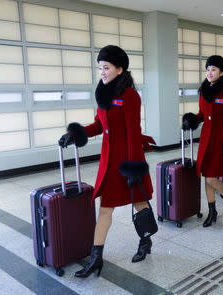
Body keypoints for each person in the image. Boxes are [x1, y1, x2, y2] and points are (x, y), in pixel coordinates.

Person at [58, 45, 154, 278]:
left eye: (107, 67)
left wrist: (133, 168)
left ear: (120, 69)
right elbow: (99, 125)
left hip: (128, 158)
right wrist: (75, 134)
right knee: (106, 208)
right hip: (109, 161)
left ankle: (145, 241)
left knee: (139, 202)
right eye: (100, 67)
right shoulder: (103, 93)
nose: (102, 72)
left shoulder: (130, 96)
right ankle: (96, 258)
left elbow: (133, 132)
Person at [182, 55, 223, 227]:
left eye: (213, 69)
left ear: (221, 73)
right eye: (208, 69)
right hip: (206, 140)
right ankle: (212, 211)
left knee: (211, 178)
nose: (209, 73)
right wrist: (192, 120)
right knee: (206, 176)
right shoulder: (203, 91)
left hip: (220, 141)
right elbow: (202, 115)